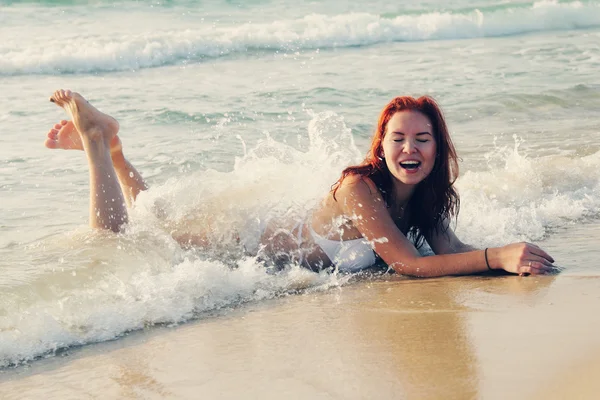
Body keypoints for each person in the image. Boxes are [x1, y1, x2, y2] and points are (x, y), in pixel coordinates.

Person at [46, 89, 557, 277]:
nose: (410, 149)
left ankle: (115, 149)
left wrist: (508, 259)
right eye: (398, 138)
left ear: (438, 147)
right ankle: (96, 141)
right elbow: (409, 264)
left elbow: (451, 251)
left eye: (423, 139)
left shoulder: (423, 195)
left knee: (151, 215)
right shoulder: (358, 188)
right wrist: (499, 256)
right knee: (119, 239)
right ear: (379, 146)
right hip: (237, 246)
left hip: (260, 241)